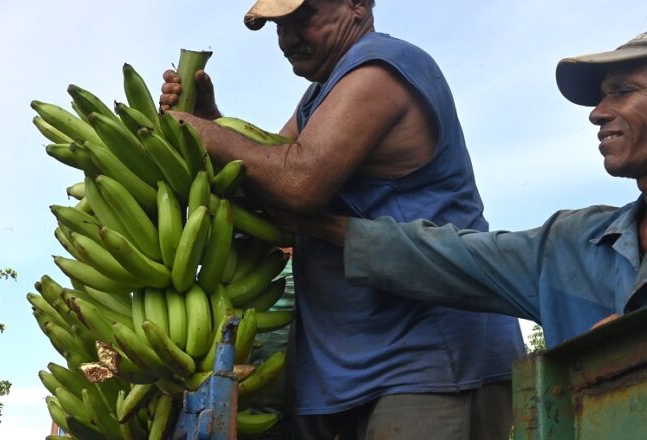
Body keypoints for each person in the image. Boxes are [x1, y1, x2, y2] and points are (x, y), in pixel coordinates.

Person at [160, 0, 525, 438]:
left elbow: (297, 183)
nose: (288, 38)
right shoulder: (320, 93)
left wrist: (202, 132)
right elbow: (264, 177)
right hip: (347, 367)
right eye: (279, 26)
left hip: (428, 360)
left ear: (357, 5)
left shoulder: (382, 67)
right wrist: (210, 121)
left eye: (303, 18)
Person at [281, 31, 647, 349]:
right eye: (602, 96)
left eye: (623, 91)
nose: (597, 112)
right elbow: (451, 258)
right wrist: (317, 224)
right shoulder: (574, 245)